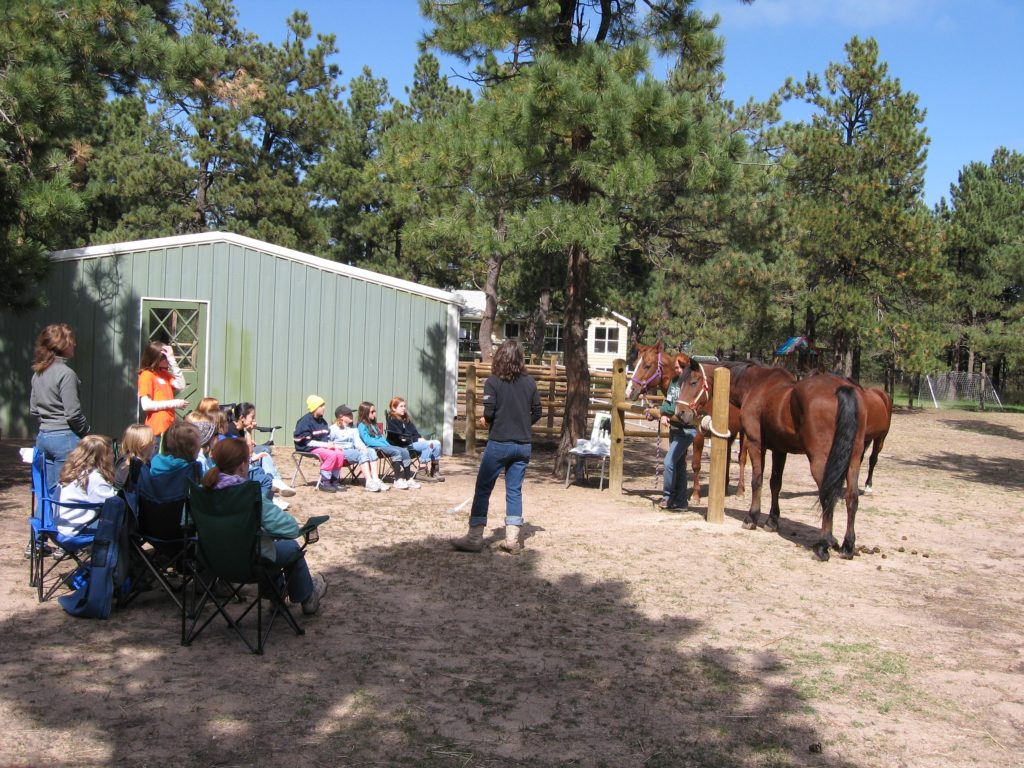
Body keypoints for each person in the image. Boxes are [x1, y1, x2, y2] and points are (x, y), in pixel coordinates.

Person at [200, 438, 327, 615]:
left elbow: (185, 523)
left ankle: (277, 598)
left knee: (265, 543)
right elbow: (290, 530)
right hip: (249, 562)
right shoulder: (250, 495)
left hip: (211, 560)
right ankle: (306, 597)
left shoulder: (201, 490)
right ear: (243, 466)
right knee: (287, 547)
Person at [453, 339, 541, 554]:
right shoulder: (530, 382)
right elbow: (537, 412)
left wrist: (487, 420)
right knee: (514, 491)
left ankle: (474, 538)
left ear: (500, 357)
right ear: (520, 358)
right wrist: (520, 424)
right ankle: (512, 540)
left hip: (499, 443)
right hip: (523, 445)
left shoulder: (493, 382)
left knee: (483, 489)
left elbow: (490, 413)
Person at [30, 323, 90, 490]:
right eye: (71, 341)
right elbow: (72, 413)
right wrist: (86, 430)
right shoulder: (66, 373)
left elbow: (34, 409)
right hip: (65, 437)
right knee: (65, 490)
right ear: (62, 345)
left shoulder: (38, 373)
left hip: (43, 436)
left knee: (46, 490)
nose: (74, 344)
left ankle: (46, 517)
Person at [646, 353, 697, 511]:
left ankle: (668, 495)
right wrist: (664, 414)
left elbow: (677, 407)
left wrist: (660, 411)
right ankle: (681, 502)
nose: (679, 370)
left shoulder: (690, 383)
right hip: (675, 429)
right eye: (676, 368)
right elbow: (669, 403)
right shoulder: (674, 383)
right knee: (679, 465)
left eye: (681, 367)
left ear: (687, 366)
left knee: (669, 461)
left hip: (687, 431)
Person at [54, 435, 118, 537]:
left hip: (61, 525)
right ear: (101, 457)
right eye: (110, 453)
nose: (114, 456)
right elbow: (113, 502)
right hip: (76, 529)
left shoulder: (75, 472)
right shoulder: (94, 478)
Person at [230, 402, 295, 498]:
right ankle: (274, 485)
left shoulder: (239, 429)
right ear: (242, 418)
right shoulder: (232, 431)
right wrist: (249, 432)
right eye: (252, 417)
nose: (254, 421)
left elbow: (249, 452)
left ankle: (276, 483)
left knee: (265, 456)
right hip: (236, 468)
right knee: (265, 468)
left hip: (244, 462)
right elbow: (248, 454)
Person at [357, 402, 419, 490]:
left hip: (384, 446)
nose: (374, 413)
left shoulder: (373, 425)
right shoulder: (361, 425)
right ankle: (397, 480)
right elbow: (367, 440)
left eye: (374, 411)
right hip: (374, 448)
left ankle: (408, 479)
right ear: (365, 413)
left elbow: (381, 437)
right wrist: (383, 444)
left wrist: (385, 443)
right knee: (396, 452)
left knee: (404, 451)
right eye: (372, 412)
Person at [293, 395, 347, 493]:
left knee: (340, 453)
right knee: (331, 455)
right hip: (307, 447)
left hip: (320, 446)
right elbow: (307, 442)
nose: (324, 408)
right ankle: (324, 481)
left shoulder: (322, 421)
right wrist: (326, 445)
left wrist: (330, 444)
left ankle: (334, 480)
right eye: (321, 406)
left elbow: (325, 437)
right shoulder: (305, 421)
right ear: (314, 407)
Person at [329, 405, 386, 492]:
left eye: (351, 413)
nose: (351, 415)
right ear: (341, 416)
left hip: (352, 452)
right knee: (361, 454)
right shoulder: (333, 429)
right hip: (340, 453)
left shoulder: (353, 428)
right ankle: (369, 482)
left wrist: (362, 447)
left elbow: (357, 441)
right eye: (348, 414)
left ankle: (375, 479)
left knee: (370, 451)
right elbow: (329, 443)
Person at [387, 396, 445, 482]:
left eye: (404, 406)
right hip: (404, 445)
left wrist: (419, 438)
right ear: (393, 408)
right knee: (429, 445)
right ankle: (421, 472)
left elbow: (414, 432)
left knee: (437, 443)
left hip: (412, 442)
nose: (404, 408)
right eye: (401, 406)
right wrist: (416, 439)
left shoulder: (405, 419)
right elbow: (400, 436)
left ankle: (434, 470)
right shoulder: (392, 420)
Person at [137, 341, 188, 438]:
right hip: (157, 430)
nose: (167, 360)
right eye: (164, 357)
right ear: (156, 358)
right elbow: (146, 405)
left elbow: (181, 385)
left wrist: (172, 360)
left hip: (169, 428)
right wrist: (174, 403)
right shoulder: (146, 375)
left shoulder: (164, 374)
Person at [113, 423, 154, 492]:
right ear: (142, 444)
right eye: (152, 439)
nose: (155, 442)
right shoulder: (129, 469)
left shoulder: (144, 462)